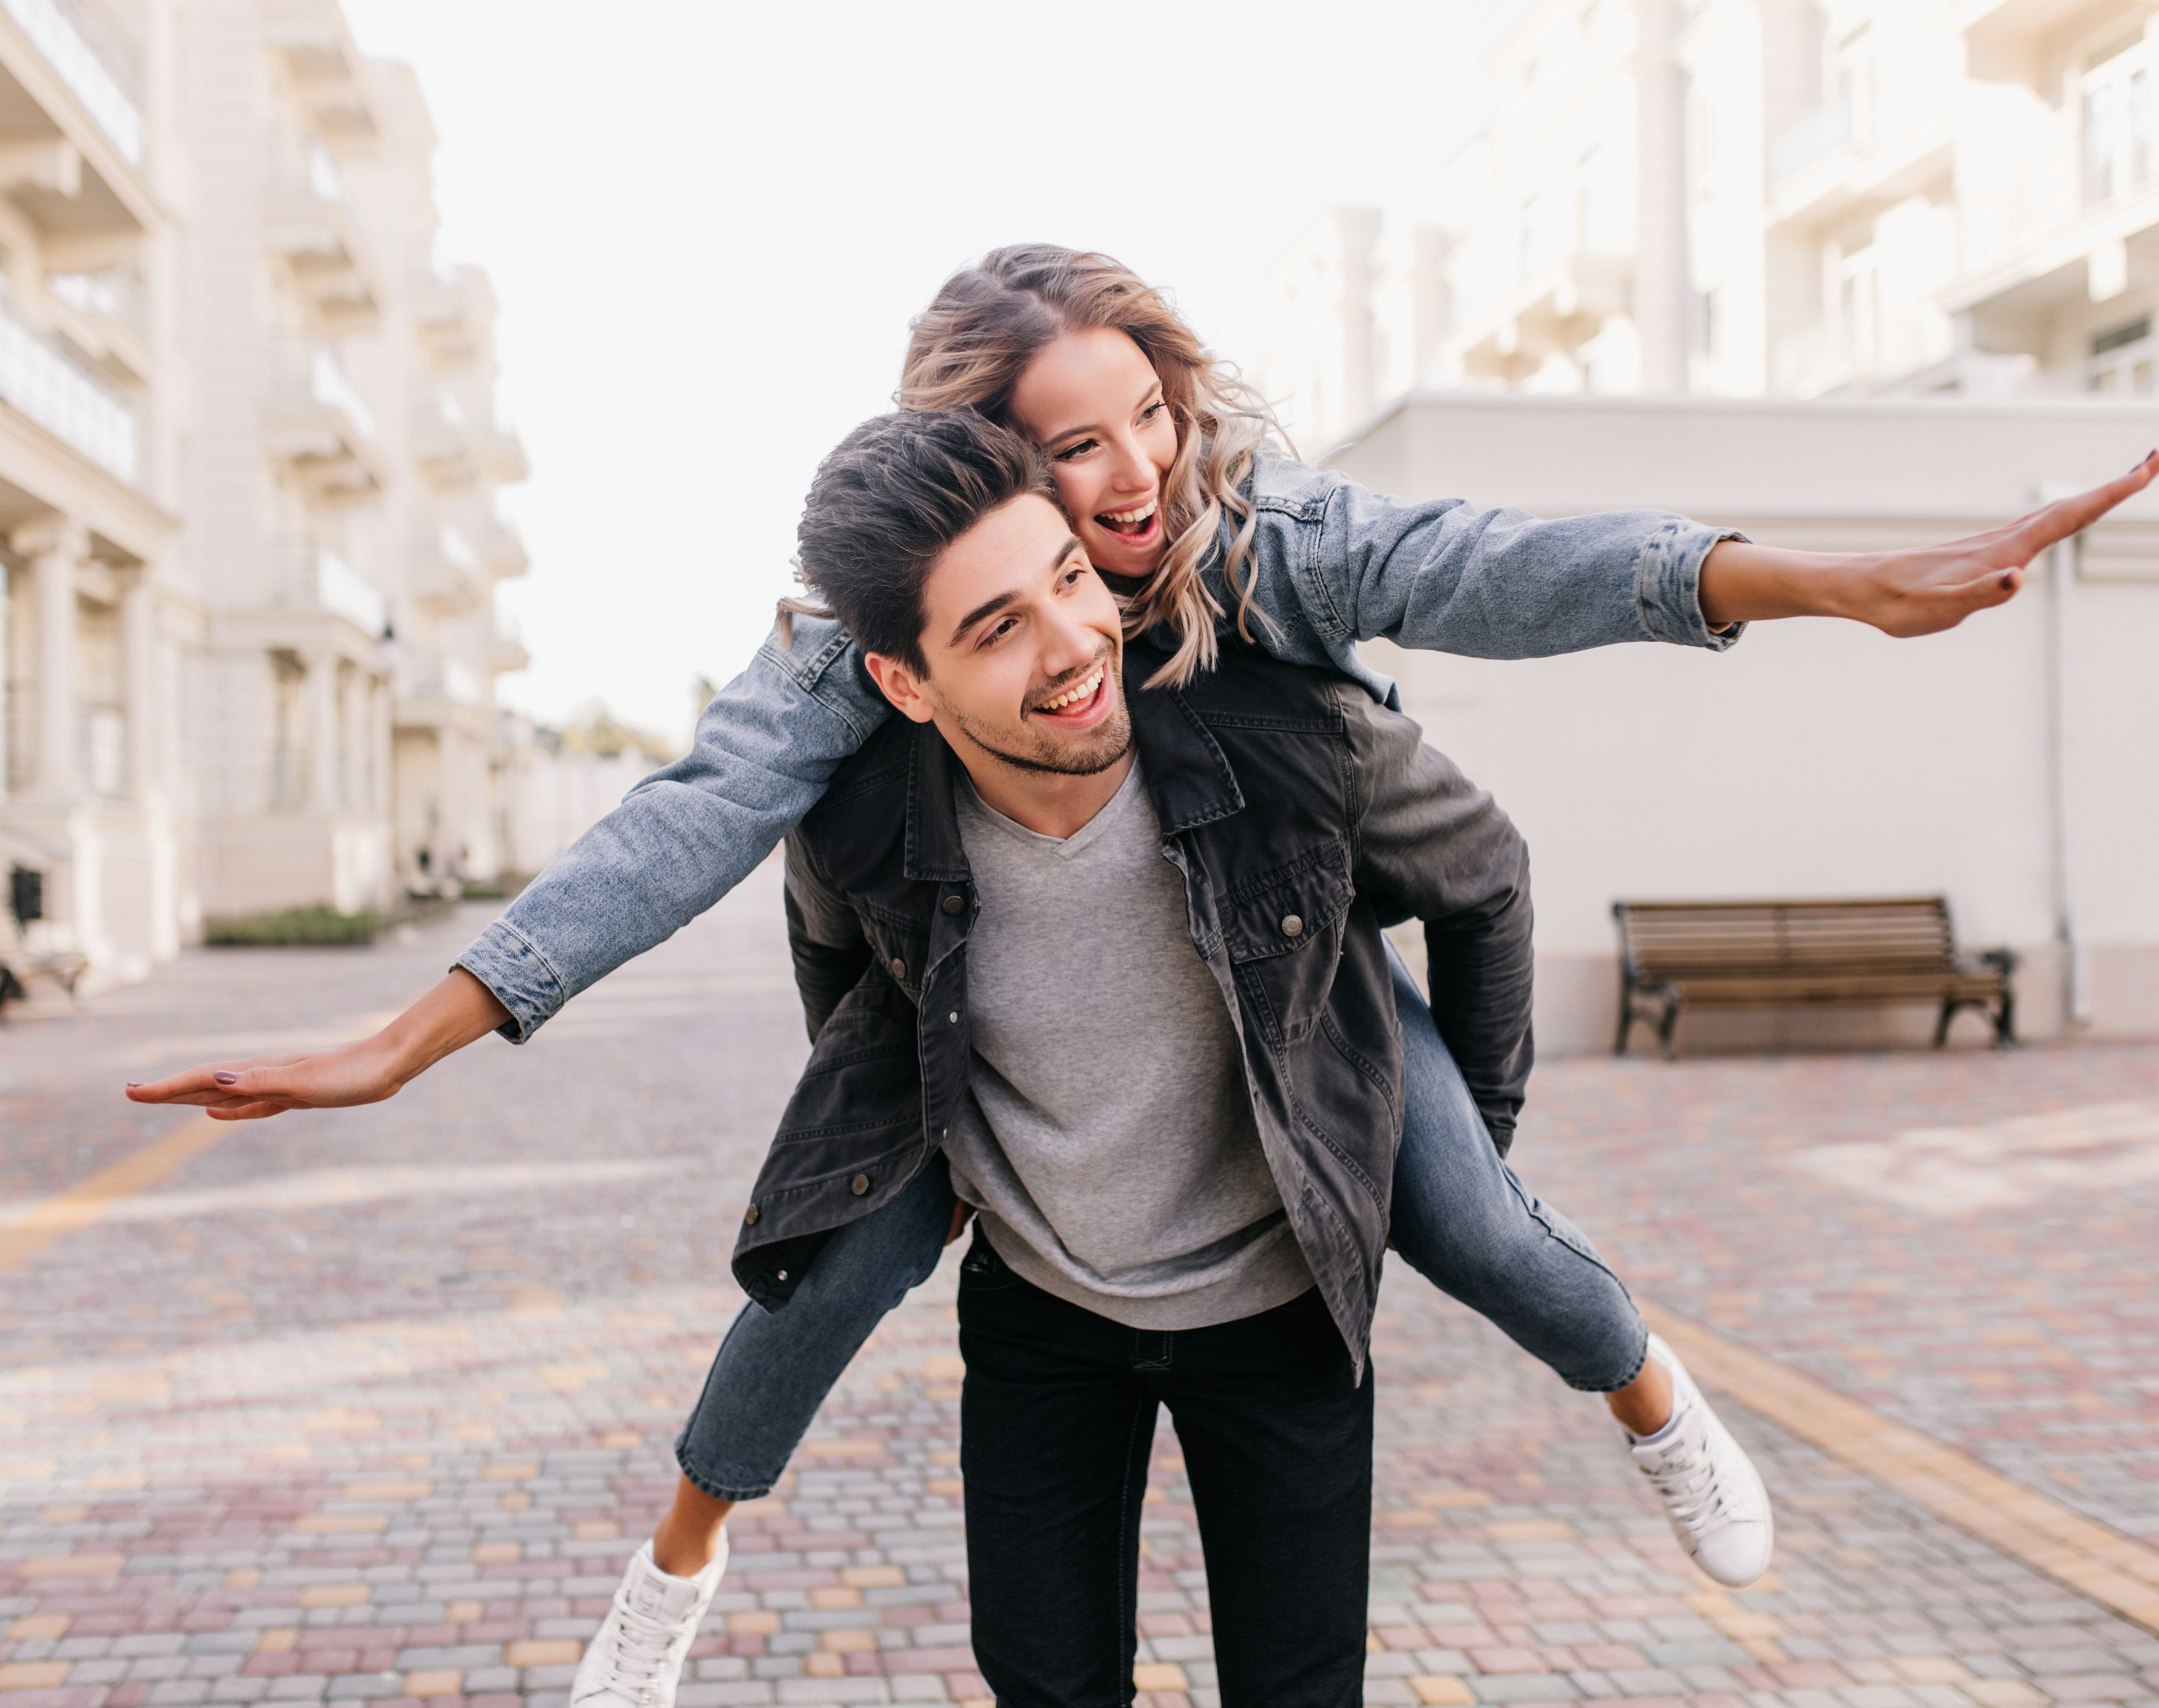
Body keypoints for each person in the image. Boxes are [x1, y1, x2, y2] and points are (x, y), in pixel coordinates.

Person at [126, 250, 2159, 1692]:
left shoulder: (1257, 538)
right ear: (975, 482)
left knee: (1484, 1229)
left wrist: (1817, 584)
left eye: (1148, 418)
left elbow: (1494, 565)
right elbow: (691, 817)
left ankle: (1649, 1395)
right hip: (1004, 1100)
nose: (1134, 479)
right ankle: (678, 1562)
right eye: (1071, 448)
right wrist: (416, 1036)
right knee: (824, 1267)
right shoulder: (875, 641)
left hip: (1300, 1012)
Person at [739, 406, 1733, 1702]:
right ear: (904, 682)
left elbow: (1486, 879)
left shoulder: (1283, 732)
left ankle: (1650, 1393)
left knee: (1298, 1689)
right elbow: (845, 983)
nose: (1070, 642)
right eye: (996, 626)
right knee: (1042, 1685)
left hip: (1282, 1311)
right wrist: (927, 1153)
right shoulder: (860, 814)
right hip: (1045, 1315)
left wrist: (1461, 1152)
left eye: (1073, 583)